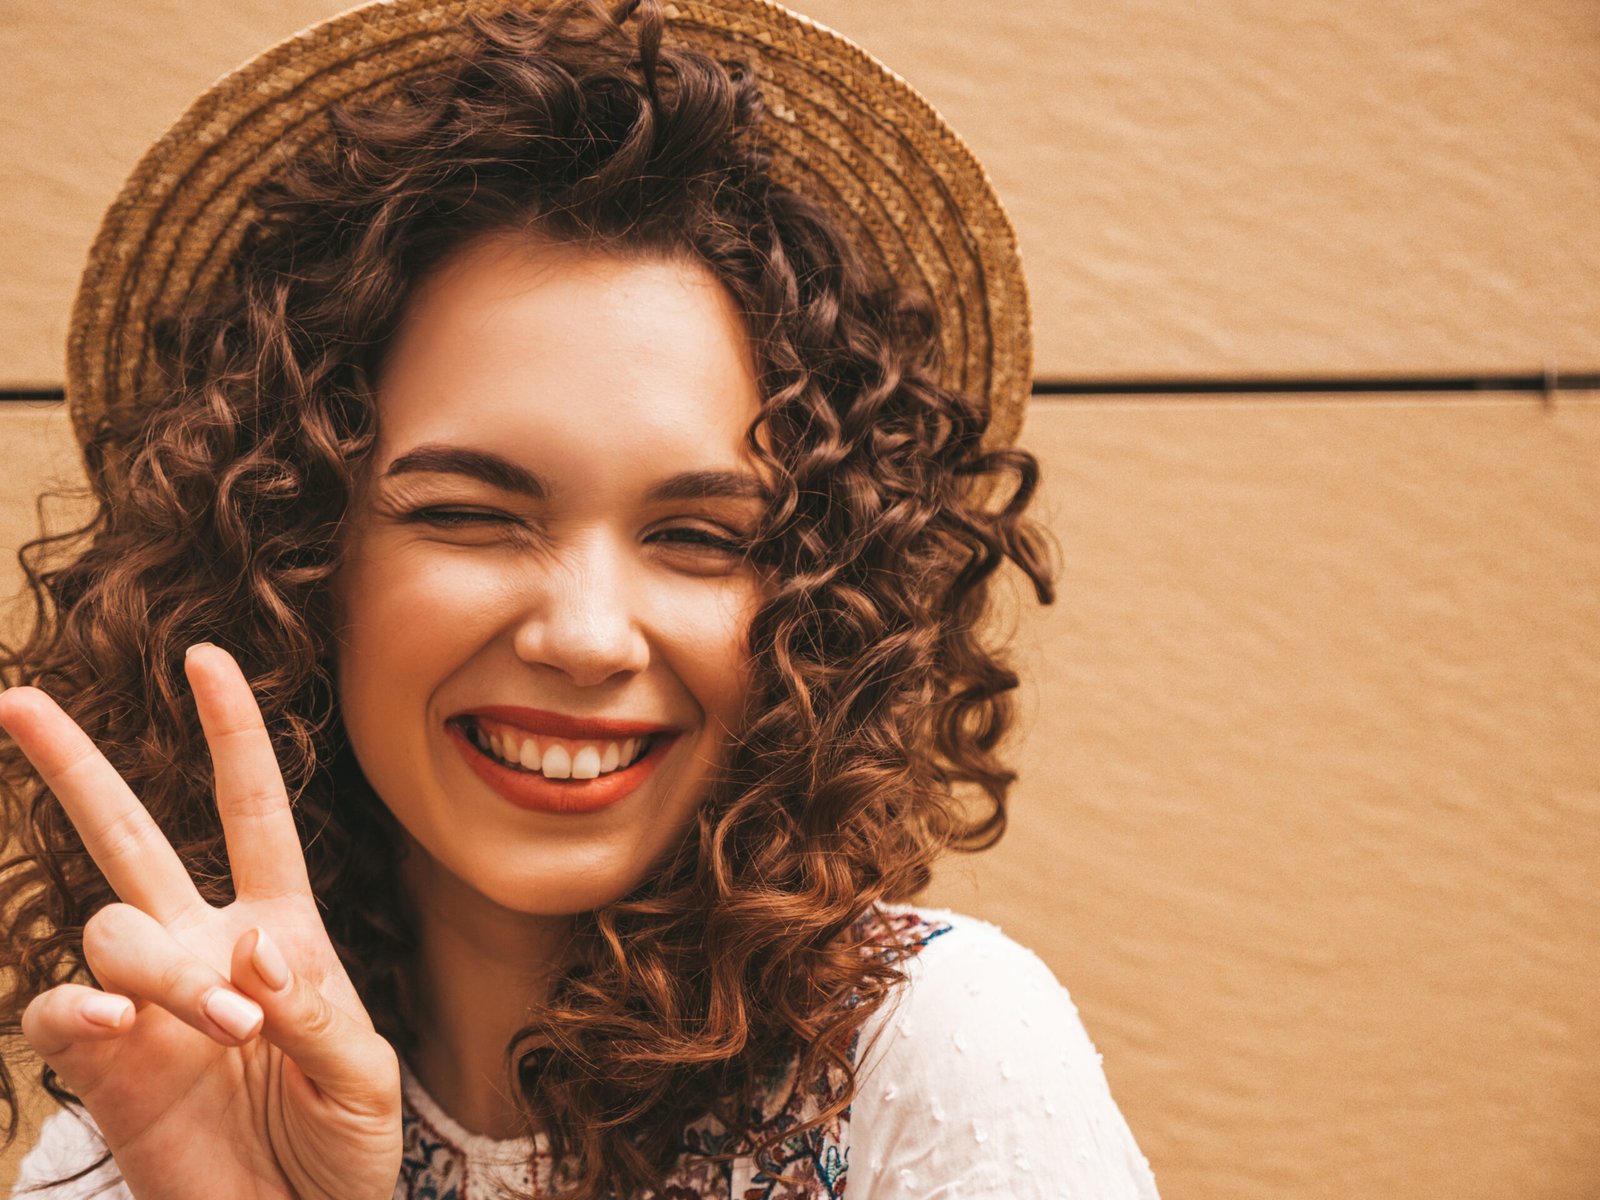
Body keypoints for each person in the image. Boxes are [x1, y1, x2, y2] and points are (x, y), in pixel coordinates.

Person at [0, 1, 1161, 1197]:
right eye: (468, 514)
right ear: (293, 555)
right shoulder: (152, 1108)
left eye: (701, 536)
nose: (586, 636)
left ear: (816, 603)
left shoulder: (929, 1053)